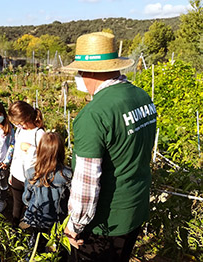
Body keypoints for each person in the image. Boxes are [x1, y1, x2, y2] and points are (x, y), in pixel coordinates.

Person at [62, 32, 157, 262]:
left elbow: (87, 180)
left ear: (91, 71)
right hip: (134, 208)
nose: (79, 77)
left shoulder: (93, 115)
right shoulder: (141, 96)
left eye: (80, 72)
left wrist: (75, 224)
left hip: (105, 223)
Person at [22, 132, 72, 239]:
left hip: (37, 216)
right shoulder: (67, 174)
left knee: (36, 241)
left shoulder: (32, 173)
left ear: (40, 151)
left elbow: (26, 197)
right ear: (61, 152)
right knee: (55, 242)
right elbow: (70, 198)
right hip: (58, 217)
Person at [8, 101, 45, 227]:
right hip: (17, 175)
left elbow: (44, 157)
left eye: (19, 123)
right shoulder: (20, 131)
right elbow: (17, 155)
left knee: (32, 204)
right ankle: (14, 229)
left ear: (26, 118)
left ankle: (31, 229)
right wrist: (11, 173)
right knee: (17, 204)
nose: (18, 125)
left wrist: (30, 149)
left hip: (31, 179)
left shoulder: (39, 134)